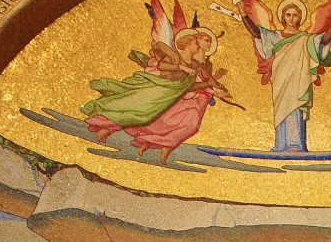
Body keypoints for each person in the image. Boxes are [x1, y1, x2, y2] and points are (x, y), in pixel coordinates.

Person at [82, 28, 230, 164]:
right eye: (198, 42)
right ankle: (106, 126)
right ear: (188, 44)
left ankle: (154, 143)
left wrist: (218, 86)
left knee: (154, 118)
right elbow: (162, 66)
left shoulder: (197, 66)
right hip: (161, 90)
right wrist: (182, 68)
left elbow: (203, 81)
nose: (199, 46)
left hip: (173, 95)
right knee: (139, 110)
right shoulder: (175, 57)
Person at [239, 0, 331, 152]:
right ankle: (281, 144)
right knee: (281, 109)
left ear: (299, 18)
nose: (291, 18)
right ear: (283, 17)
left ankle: (295, 145)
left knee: (295, 108)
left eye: (295, 15)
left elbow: (324, 39)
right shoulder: (274, 37)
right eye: (288, 15)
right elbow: (256, 33)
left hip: (298, 80)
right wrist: (243, 15)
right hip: (280, 79)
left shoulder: (305, 39)